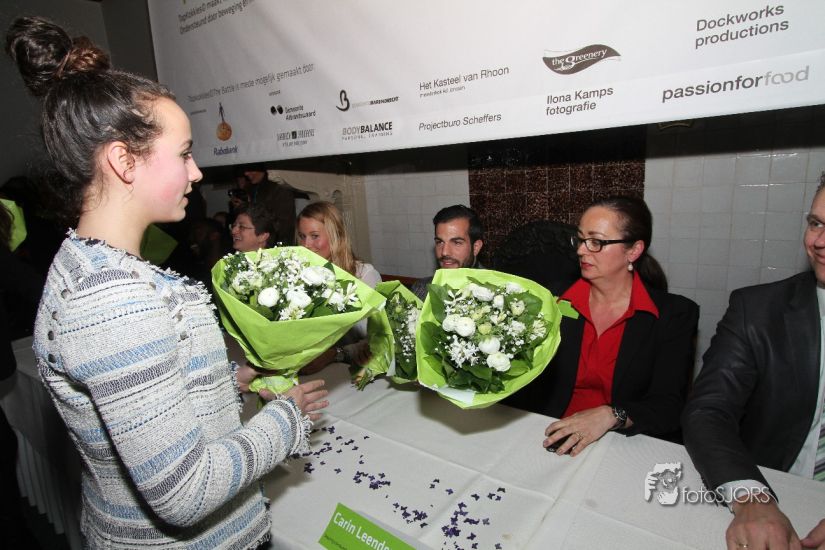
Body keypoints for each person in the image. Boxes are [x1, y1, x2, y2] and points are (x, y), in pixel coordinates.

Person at [7, 16, 328, 548]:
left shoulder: (91, 267)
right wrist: (287, 419)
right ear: (123, 161)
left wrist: (228, 379)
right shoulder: (114, 301)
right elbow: (185, 492)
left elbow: (141, 405)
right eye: (183, 153)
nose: (197, 172)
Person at [682, 176, 825, 550]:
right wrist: (750, 496)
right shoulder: (758, 310)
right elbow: (708, 410)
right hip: (776, 493)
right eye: (816, 223)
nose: (819, 241)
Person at [505, 195, 698, 455]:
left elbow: (669, 406)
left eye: (596, 242)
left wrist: (612, 415)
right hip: (550, 433)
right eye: (580, 239)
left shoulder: (673, 315)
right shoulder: (554, 299)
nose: (581, 250)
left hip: (623, 443)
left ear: (633, 251)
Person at [297, 201, 380, 371]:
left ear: (336, 236)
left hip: (352, 370)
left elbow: (376, 341)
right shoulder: (297, 276)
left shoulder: (364, 276)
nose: (306, 245)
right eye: (302, 236)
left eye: (314, 236)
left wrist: (335, 354)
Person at [410, 204, 485, 301]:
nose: (444, 252)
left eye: (456, 243)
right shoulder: (421, 289)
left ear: (475, 247)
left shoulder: (497, 292)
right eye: (440, 242)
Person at [242, 164, 298, 245]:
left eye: (250, 169)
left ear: (261, 168)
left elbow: (284, 225)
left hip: (276, 244)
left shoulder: (279, 188)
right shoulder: (251, 189)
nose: (246, 173)